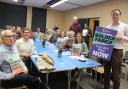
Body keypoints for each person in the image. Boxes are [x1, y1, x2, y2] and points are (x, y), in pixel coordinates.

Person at [103, 9, 128, 89]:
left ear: (119, 15)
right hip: (107, 50)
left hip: (117, 51)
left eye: (117, 14)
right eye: (114, 14)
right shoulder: (107, 27)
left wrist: (121, 37)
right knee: (106, 73)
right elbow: (103, 39)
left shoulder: (124, 26)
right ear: (111, 15)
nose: (115, 16)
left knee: (116, 74)